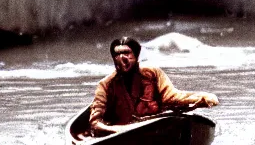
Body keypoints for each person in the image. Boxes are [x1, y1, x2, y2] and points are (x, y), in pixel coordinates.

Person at [89, 36, 219, 135]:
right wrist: (120, 130)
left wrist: (200, 98)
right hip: (124, 133)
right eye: (117, 54)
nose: (122, 58)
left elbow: (171, 96)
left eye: (127, 53)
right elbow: (95, 123)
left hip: (155, 127)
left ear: (136, 56)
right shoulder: (105, 85)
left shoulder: (152, 73)